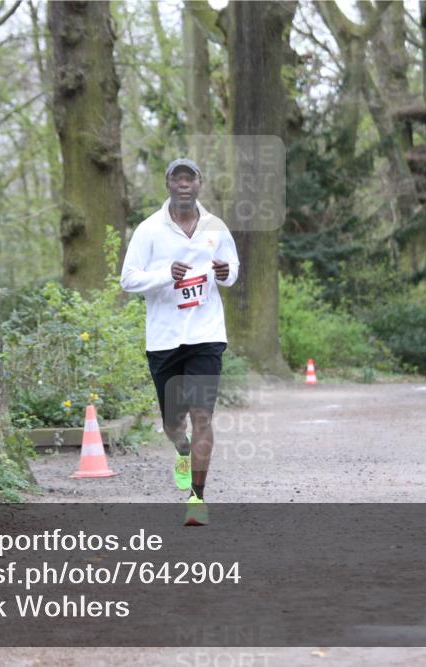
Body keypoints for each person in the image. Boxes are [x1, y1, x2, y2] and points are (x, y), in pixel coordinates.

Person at [120, 158, 239, 526]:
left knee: (203, 415)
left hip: (206, 335)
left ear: (200, 184)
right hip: (165, 338)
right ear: (168, 183)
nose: (184, 183)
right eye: (178, 177)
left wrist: (225, 272)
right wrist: (163, 275)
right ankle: (182, 450)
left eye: (191, 178)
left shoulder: (216, 227)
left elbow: (232, 270)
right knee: (175, 422)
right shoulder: (149, 230)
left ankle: (196, 498)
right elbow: (128, 280)